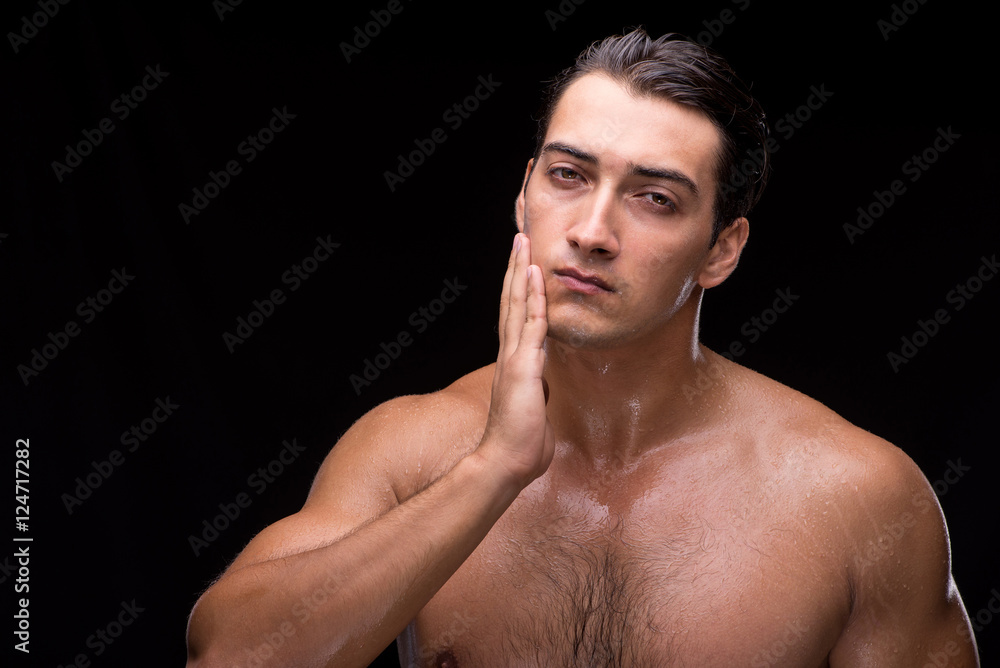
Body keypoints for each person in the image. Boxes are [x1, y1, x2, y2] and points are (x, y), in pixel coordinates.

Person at [185, 28, 979, 667]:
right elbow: (229, 657)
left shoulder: (855, 498)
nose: (593, 233)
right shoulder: (412, 450)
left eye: (655, 199)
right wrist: (492, 469)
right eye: (569, 176)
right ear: (526, 193)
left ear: (721, 250)